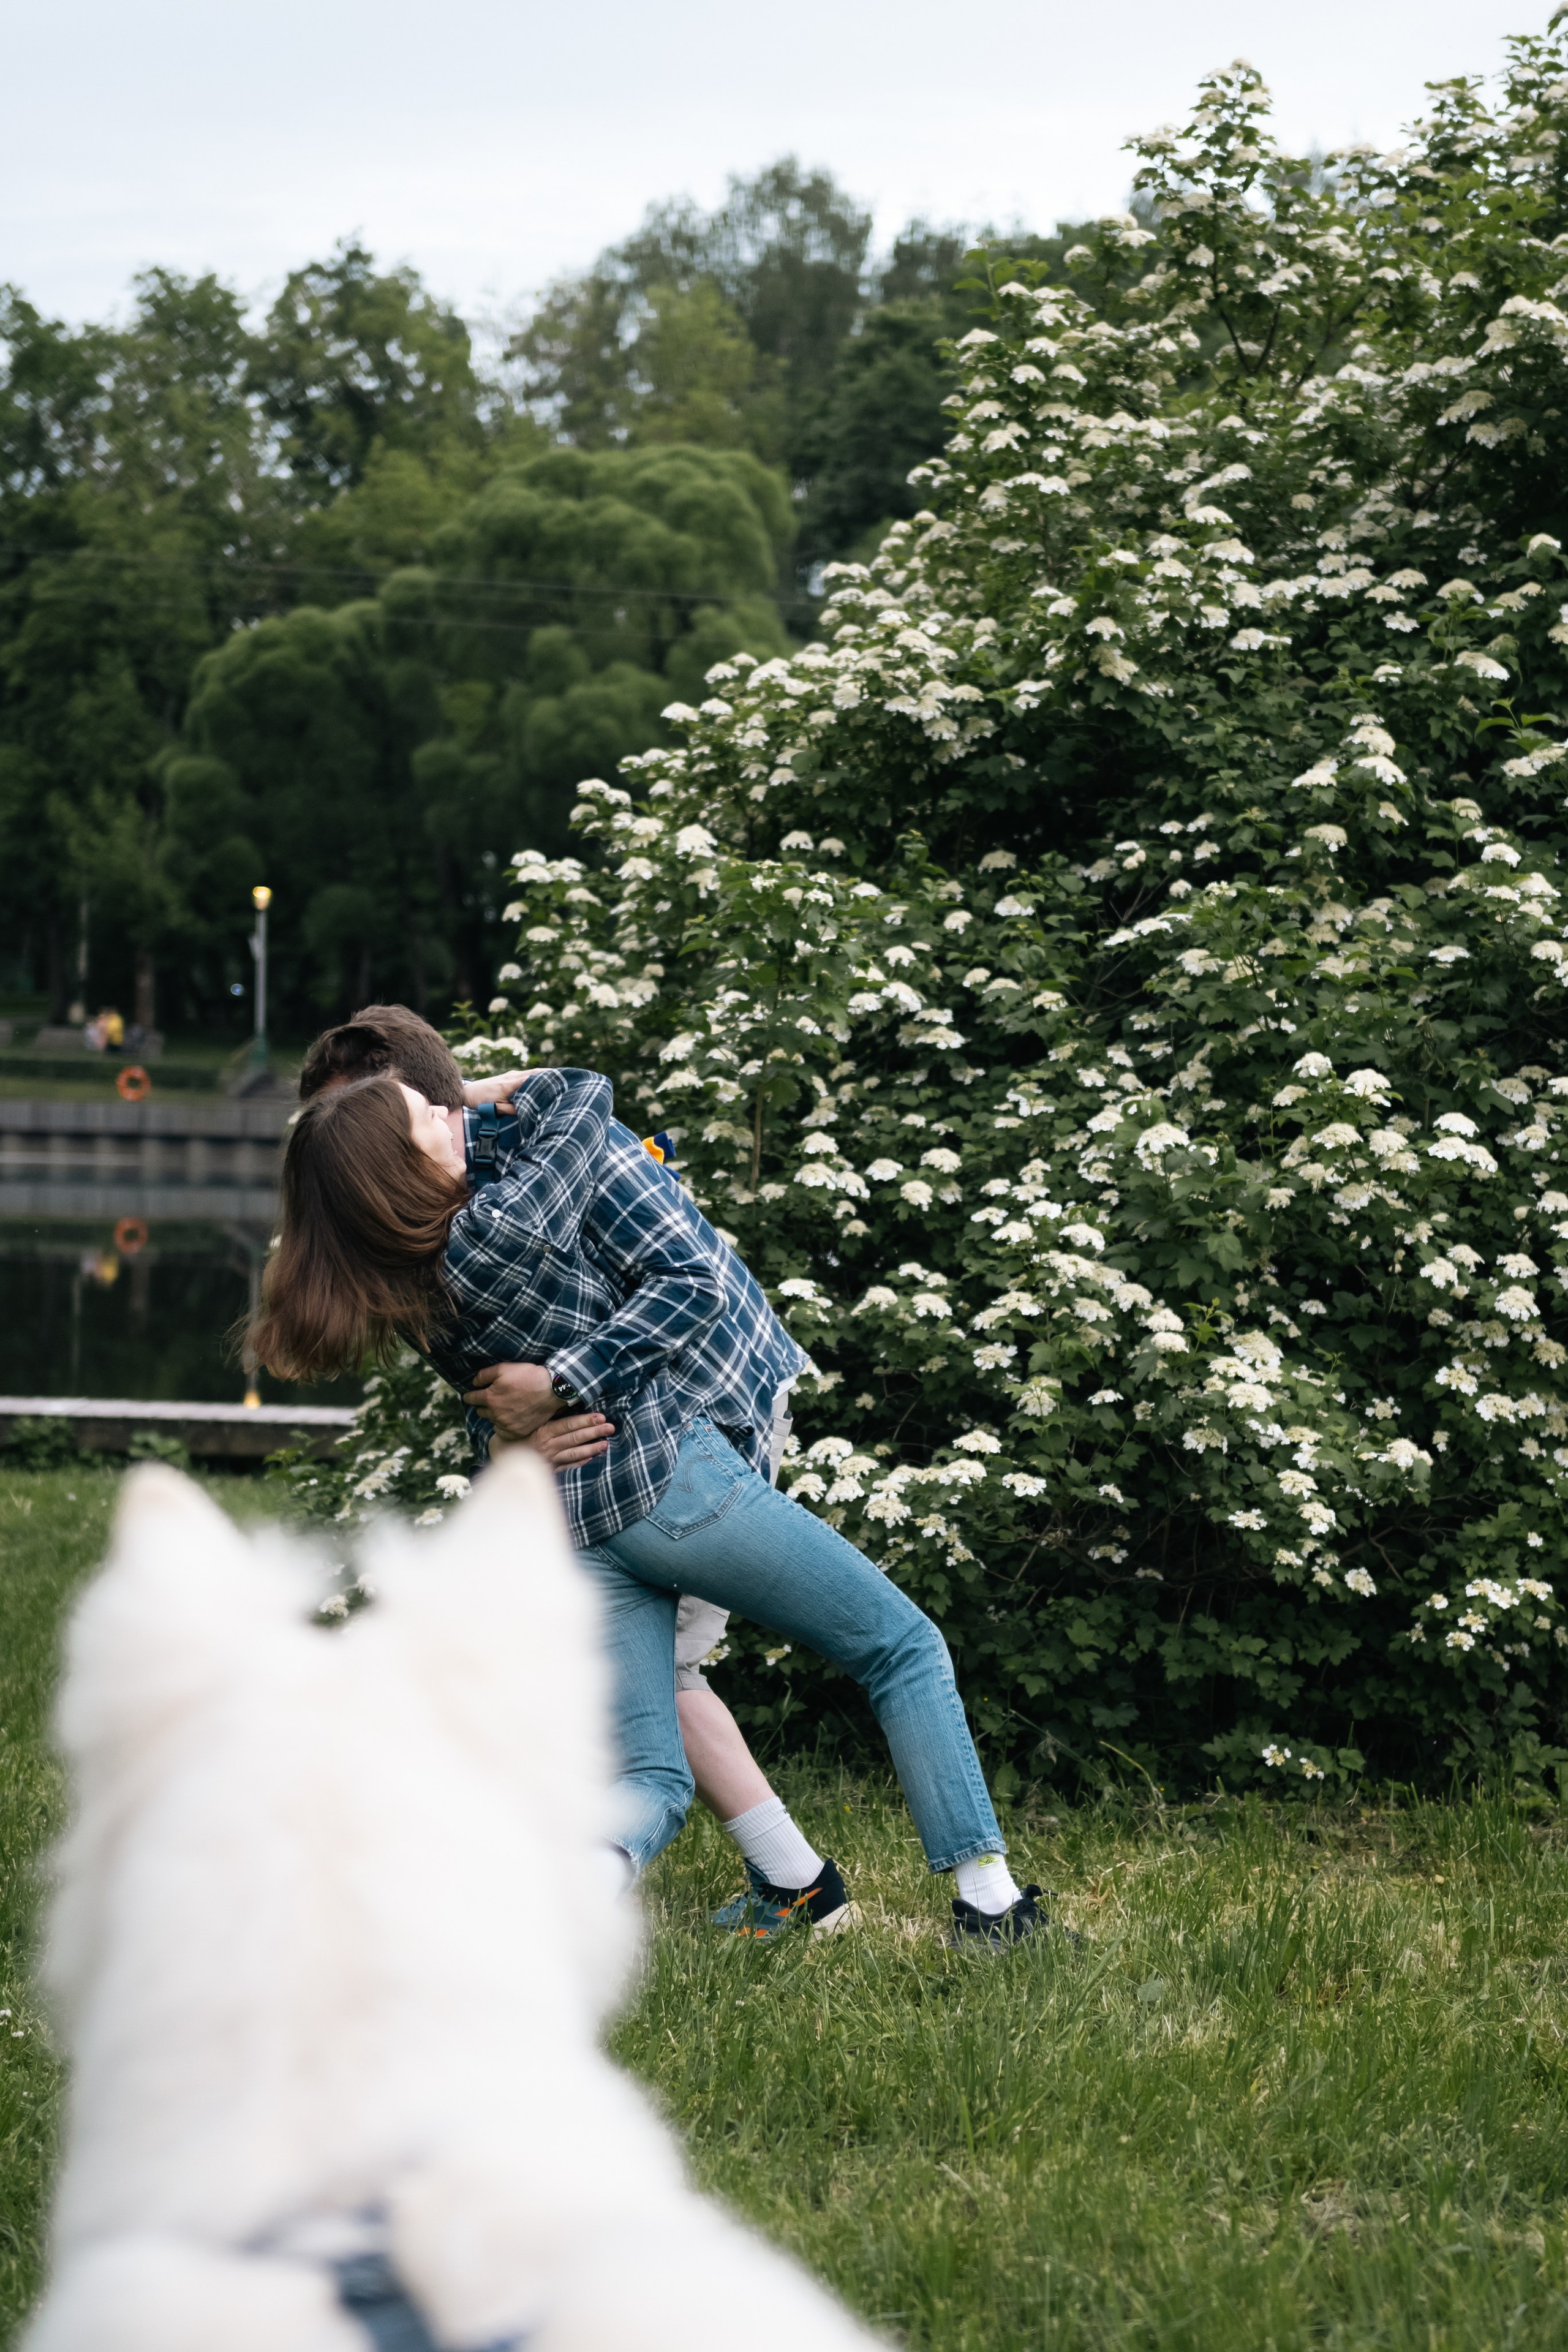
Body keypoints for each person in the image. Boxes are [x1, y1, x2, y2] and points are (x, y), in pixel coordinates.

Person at [258, 1050, 1044, 1948]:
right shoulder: (510, 1213)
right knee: (900, 1647)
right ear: (404, 1170)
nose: (451, 1117)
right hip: (671, 1484)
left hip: (580, 1521)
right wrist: (477, 1088)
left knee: (646, 1778)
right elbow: (579, 1094)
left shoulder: (407, 1282)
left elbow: (491, 1404)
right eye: (427, 1120)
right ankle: (991, 1905)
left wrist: (520, 1434)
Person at [298, 1008, 843, 1936]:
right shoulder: (417, 1223)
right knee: (656, 1671)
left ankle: (788, 1884)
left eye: (361, 1121)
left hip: (712, 1398)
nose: (335, 1160)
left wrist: (548, 1400)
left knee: (661, 1671)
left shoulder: (523, 1173)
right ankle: (796, 1884)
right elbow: (492, 1383)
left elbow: (668, 1281)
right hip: (620, 1432)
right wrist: (514, 1446)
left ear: (429, 1110)